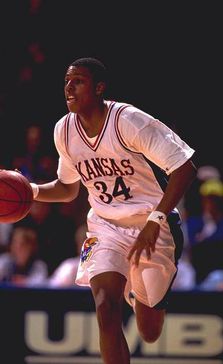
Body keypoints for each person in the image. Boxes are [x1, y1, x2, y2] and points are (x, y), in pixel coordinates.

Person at [29, 57, 197, 364]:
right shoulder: (64, 130)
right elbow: (68, 188)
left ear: (99, 88)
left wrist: (155, 219)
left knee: (149, 331)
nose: (69, 87)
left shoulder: (128, 120)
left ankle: (139, 291)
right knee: (105, 307)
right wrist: (32, 191)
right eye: (67, 81)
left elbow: (184, 168)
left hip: (153, 224)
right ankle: (123, 280)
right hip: (105, 226)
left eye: (78, 81)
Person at [47, 223, 87, 287]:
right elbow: (52, 289)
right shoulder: (70, 267)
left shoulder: (105, 267)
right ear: (78, 245)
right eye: (83, 242)